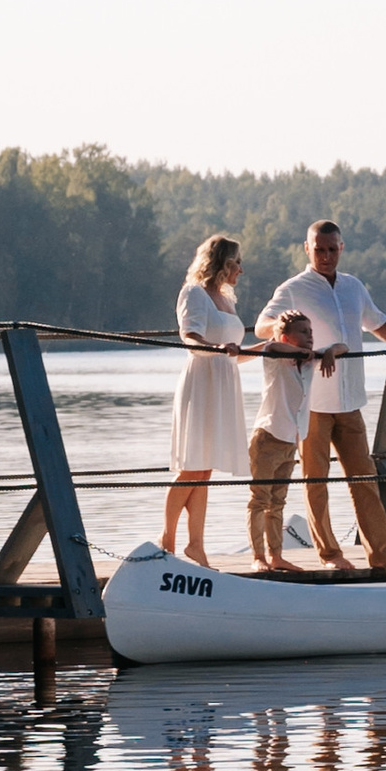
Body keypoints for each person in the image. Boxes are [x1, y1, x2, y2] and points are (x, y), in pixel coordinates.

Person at [256, 218, 386, 576]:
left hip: (351, 402)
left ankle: (381, 555)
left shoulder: (353, 287)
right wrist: (280, 325)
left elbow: (378, 323)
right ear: (307, 249)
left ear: (342, 248)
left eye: (332, 249)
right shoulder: (293, 288)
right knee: (316, 483)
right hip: (313, 403)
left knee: (365, 479)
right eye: (319, 250)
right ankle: (329, 553)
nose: (327, 256)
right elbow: (261, 326)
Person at [161, 235, 251, 562]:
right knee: (191, 467)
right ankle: (167, 538)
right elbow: (190, 337)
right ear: (223, 263)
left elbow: (232, 355)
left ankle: (195, 543)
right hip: (201, 382)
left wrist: (265, 350)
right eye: (237, 262)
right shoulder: (194, 293)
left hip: (224, 382)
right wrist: (215, 349)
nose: (241, 269)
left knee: (205, 469)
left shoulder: (227, 300)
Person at [247, 309, 320, 575]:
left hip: (291, 439)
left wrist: (331, 351)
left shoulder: (310, 362)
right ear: (288, 337)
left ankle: (276, 555)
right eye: (303, 332)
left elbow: (342, 346)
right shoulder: (276, 360)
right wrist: (297, 352)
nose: (310, 338)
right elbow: (271, 345)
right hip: (268, 437)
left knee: (278, 502)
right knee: (259, 500)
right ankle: (258, 556)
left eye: (311, 332)